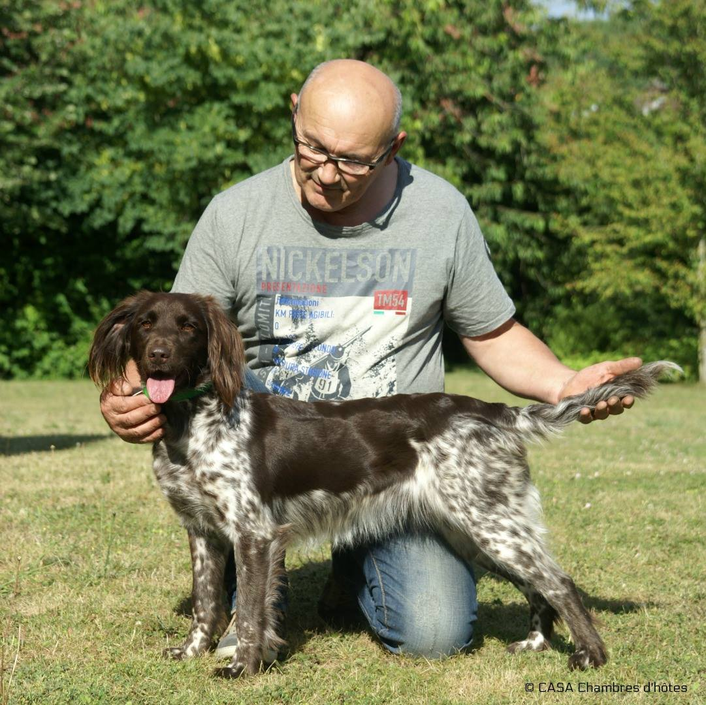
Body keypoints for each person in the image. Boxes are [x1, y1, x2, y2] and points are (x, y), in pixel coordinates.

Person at [100, 59, 640, 660]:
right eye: (312, 149)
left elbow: (493, 333)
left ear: (392, 148)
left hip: (392, 455)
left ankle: (354, 561)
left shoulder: (441, 211)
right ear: (294, 112)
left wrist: (568, 383)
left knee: (433, 633)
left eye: (352, 160)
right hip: (269, 447)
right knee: (234, 478)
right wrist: (125, 395)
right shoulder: (234, 214)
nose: (327, 173)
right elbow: (172, 338)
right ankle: (262, 582)